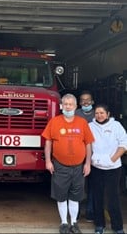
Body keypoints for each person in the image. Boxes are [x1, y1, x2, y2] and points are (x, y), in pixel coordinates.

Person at [42, 93, 94, 234]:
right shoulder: (54, 122)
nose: (68, 106)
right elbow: (48, 143)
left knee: (75, 197)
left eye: (71, 104)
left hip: (78, 166)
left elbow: (88, 144)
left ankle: (74, 223)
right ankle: (64, 223)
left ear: (75, 106)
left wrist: (87, 163)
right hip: (60, 165)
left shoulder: (82, 122)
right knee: (61, 195)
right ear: (61, 106)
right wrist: (48, 161)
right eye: (65, 104)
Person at [89, 104, 127, 234]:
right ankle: (99, 225)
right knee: (97, 196)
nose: (99, 115)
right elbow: (87, 145)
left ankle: (118, 227)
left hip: (113, 168)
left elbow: (123, 144)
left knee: (113, 197)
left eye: (102, 113)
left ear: (108, 114)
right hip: (96, 167)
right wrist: (92, 160)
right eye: (97, 113)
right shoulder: (90, 126)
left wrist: (113, 159)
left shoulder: (116, 126)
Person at [75, 90, 95, 222]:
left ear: (92, 101)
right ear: (79, 103)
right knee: (77, 184)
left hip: (95, 155)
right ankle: (75, 211)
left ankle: (90, 212)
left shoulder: (98, 113)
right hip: (78, 154)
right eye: (83, 100)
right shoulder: (75, 114)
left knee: (92, 184)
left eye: (88, 100)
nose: (86, 102)